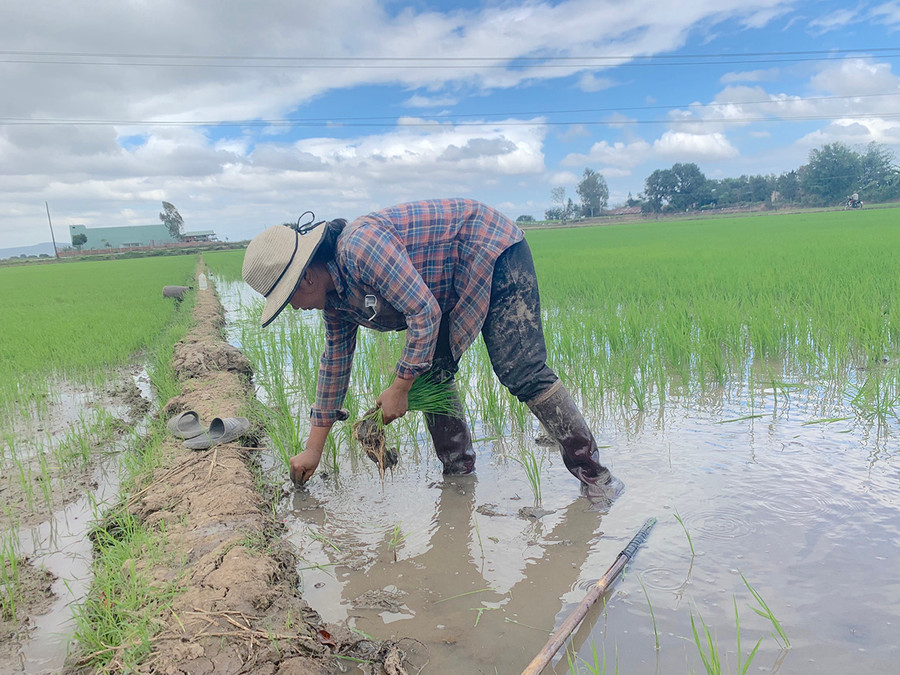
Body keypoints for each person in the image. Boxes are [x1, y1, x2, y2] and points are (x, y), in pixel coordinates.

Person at [241, 198, 622, 503]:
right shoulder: (335, 301)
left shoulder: (360, 249)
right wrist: (312, 450)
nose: (293, 308)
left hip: (490, 249)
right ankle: (459, 479)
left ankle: (597, 478)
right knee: (433, 375)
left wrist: (400, 388)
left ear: (307, 277)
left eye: (289, 298)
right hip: (442, 288)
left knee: (521, 369)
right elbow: (335, 364)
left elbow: (423, 311)